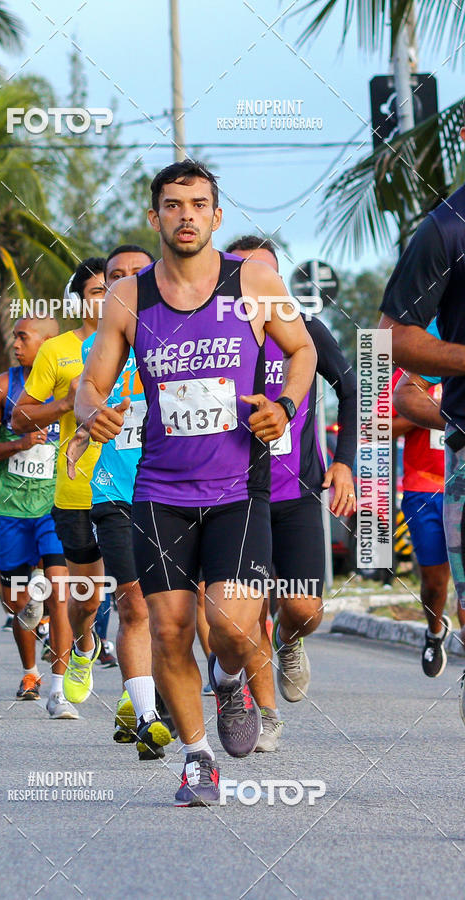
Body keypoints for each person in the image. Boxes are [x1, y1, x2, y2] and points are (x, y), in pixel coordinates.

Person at [71, 159, 317, 804]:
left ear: (216, 215)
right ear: (155, 217)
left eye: (199, 204)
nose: (186, 214)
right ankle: (198, 757)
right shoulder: (129, 296)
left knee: (232, 629)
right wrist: (91, 412)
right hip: (159, 491)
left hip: (238, 485)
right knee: (170, 629)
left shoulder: (255, 279)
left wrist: (285, 405)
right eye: (173, 204)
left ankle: (231, 681)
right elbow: (90, 381)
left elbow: (304, 350)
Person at [223, 235, 357, 751]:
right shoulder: (219, 335)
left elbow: (351, 387)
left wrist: (343, 463)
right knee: (247, 608)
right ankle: (267, 716)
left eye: (268, 272)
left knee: (302, 608)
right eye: (246, 272)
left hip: (298, 492)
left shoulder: (307, 332)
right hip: (240, 494)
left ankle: (290, 639)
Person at [379, 118, 465, 720]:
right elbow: (389, 341)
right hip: (450, 464)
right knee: (437, 583)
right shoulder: (445, 230)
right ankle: (438, 633)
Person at [76, 244, 175, 760]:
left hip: (178, 490)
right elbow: (84, 399)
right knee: (133, 602)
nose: (127, 282)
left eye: (137, 273)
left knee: (178, 611)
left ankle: (167, 692)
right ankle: (147, 716)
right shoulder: (100, 347)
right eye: (115, 276)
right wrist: (83, 423)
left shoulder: (183, 337)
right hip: (115, 493)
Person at [11, 258, 106, 707]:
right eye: (95, 292)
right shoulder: (58, 351)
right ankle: (86, 642)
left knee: (140, 601)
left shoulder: (150, 342)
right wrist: (65, 403)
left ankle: (146, 703)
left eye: (114, 290)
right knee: (86, 600)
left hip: (139, 489)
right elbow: (21, 415)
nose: (105, 299)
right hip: (75, 491)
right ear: (80, 300)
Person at [0, 315, 77, 718]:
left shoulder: (71, 384)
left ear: (49, 344)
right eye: (14, 336)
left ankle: (59, 690)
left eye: (23, 337)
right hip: (11, 510)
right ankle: (30, 672)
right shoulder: (3, 385)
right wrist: (17, 444)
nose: (15, 344)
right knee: (15, 601)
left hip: (54, 506)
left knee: (59, 589)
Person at [392, 320, 453, 677]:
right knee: (434, 582)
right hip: (424, 489)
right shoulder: (416, 371)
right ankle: (434, 631)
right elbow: (381, 423)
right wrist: (435, 413)